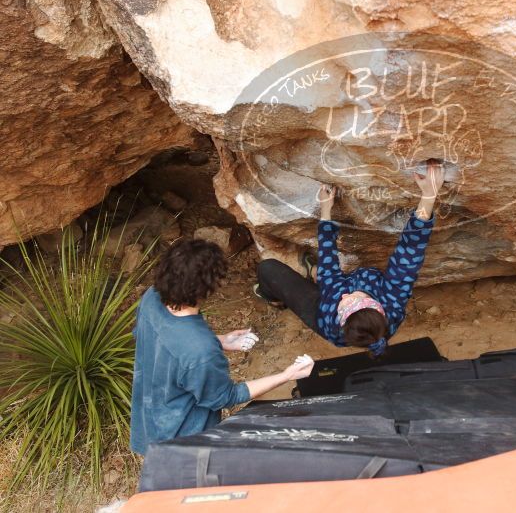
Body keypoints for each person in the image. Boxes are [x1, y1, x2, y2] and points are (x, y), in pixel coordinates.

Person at [130, 239, 314, 455]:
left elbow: (162, 341)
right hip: (184, 439)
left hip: (149, 421)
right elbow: (225, 397)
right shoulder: (201, 350)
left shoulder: (151, 298)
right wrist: (286, 375)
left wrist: (221, 341)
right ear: (206, 288)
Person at [254, 160, 444, 356]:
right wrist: (429, 196)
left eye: (343, 304)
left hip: (319, 311)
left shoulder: (331, 310)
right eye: (351, 298)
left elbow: (330, 267)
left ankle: (273, 298)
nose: (344, 296)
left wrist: (326, 212)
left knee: (268, 269)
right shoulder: (392, 298)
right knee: (325, 279)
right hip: (344, 294)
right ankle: (314, 273)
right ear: (378, 306)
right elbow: (410, 250)